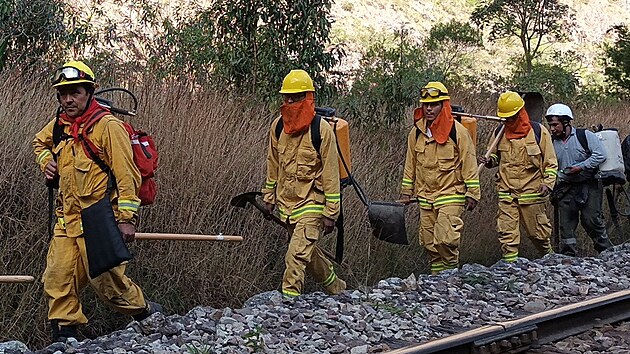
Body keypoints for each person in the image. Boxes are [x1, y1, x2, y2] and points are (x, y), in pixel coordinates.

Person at [33, 60, 161, 342]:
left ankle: (145, 312)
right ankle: (65, 337)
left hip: (99, 220)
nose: (67, 99)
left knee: (107, 283)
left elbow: (127, 177)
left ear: (90, 92)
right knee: (57, 278)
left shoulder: (108, 127)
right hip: (67, 221)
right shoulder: (59, 125)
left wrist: (126, 220)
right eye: (63, 94)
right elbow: (39, 144)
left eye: (74, 92)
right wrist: (47, 163)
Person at [261, 69, 346, 298]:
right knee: (308, 254)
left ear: (308, 98)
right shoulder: (277, 127)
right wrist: (269, 198)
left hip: (313, 204)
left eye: (296, 98)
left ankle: (289, 302)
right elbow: (273, 165)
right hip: (287, 205)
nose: (289, 102)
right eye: (286, 98)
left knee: (295, 255)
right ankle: (336, 286)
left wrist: (331, 213)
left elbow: (331, 174)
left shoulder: (322, 130)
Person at [400, 81, 480, 274]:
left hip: (451, 192)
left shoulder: (458, 132)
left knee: (445, 239)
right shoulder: (416, 133)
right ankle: (437, 280)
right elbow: (410, 163)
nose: (428, 108)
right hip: (425, 196)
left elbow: (469, 162)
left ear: (443, 105)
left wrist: (473, 193)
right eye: (425, 104)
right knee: (429, 243)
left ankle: (451, 275)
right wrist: (406, 192)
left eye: (434, 104)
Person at [479, 91, 557, 262]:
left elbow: (550, 162)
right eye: (505, 118)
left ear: (520, 112)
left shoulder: (538, 132)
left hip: (531, 193)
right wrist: (489, 161)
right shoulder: (500, 132)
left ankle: (550, 260)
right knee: (507, 233)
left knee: (538, 233)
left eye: (512, 117)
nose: (509, 121)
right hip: (507, 194)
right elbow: (496, 157)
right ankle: (510, 266)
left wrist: (547, 183)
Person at [545, 103, 614, 256]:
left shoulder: (584, 136)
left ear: (565, 122)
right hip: (565, 187)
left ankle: (606, 252)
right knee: (566, 223)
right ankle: (568, 256)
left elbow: (600, 155)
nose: (552, 129)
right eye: (550, 125)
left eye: (555, 125)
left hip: (589, 185)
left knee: (591, 220)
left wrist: (581, 167)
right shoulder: (550, 143)